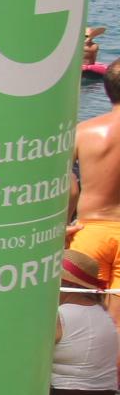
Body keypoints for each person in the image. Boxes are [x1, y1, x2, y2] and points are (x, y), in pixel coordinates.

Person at [69, 63, 120, 331]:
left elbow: (69, 187)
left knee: (75, 318)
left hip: (88, 232)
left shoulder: (83, 131)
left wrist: (62, 226)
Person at [51, 250, 117, 395]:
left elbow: (30, 354)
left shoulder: (61, 315)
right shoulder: (103, 313)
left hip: (66, 392)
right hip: (105, 393)